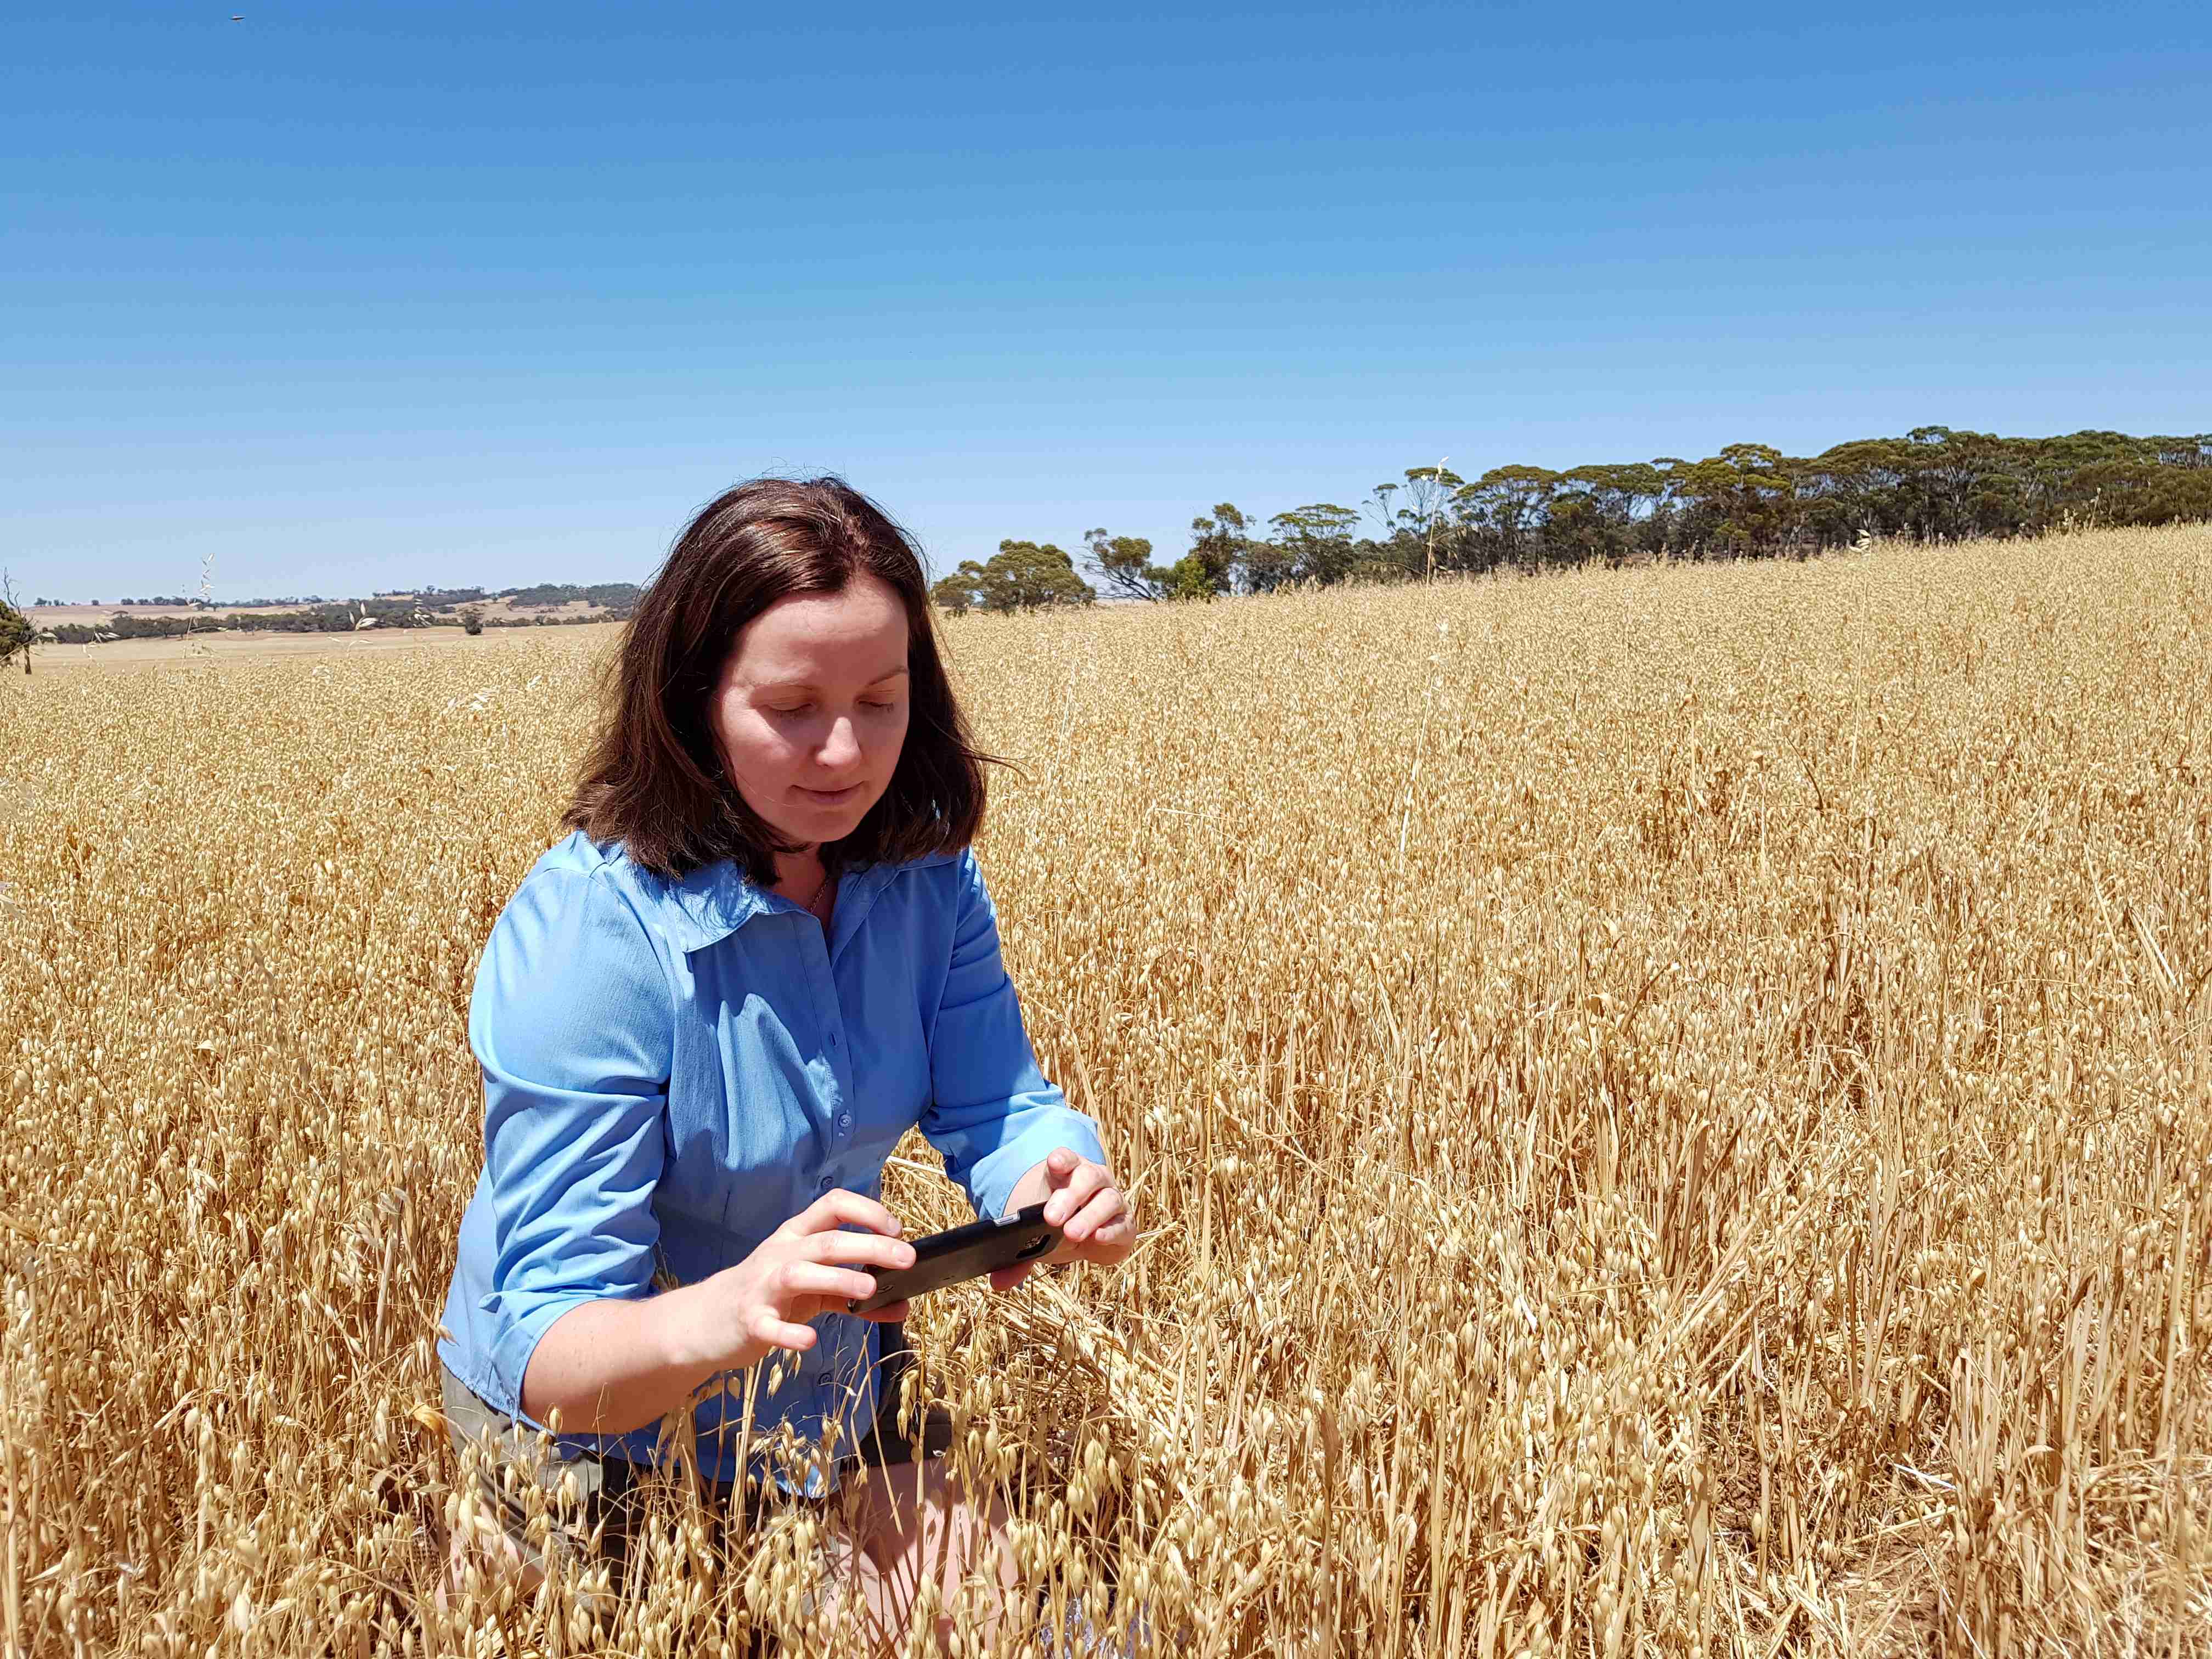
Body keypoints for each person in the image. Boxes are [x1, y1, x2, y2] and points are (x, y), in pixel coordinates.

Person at [433, 476, 1137, 1648]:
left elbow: (999, 1100)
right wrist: (738, 1309)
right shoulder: (594, 935)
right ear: (693, 701)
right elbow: (550, 1348)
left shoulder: (927, 879)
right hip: (598, 1422)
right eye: (793, 705)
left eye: (882, 698)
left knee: (1030, 1633)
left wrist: (1049, 1177)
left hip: (837, 1360)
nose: (846, 751)